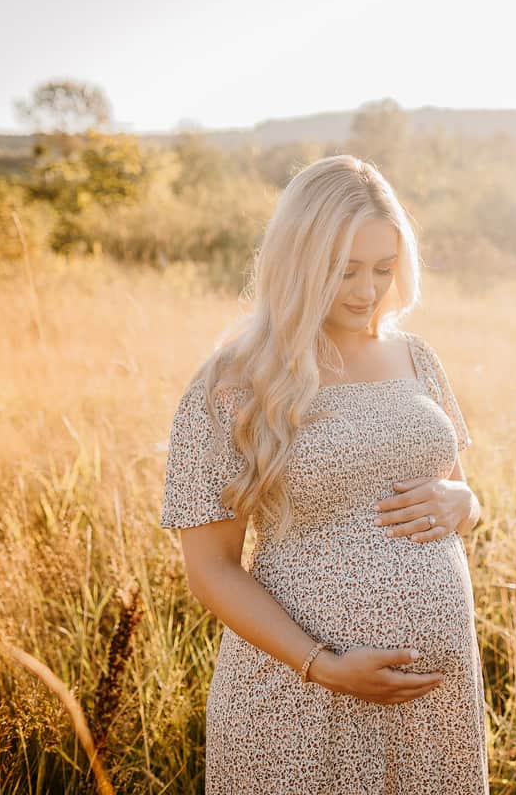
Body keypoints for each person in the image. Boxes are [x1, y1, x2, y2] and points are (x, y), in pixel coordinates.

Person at [159, 154, 487, 793]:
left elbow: (458, 493)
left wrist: (466, 503)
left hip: (434, 706)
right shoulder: (234, 381)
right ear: (299, 262)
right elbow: (211, 568)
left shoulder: (416, 357)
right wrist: (325, 665)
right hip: (298, 699)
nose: (368, 291)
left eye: (383, 269)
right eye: (345, 271)